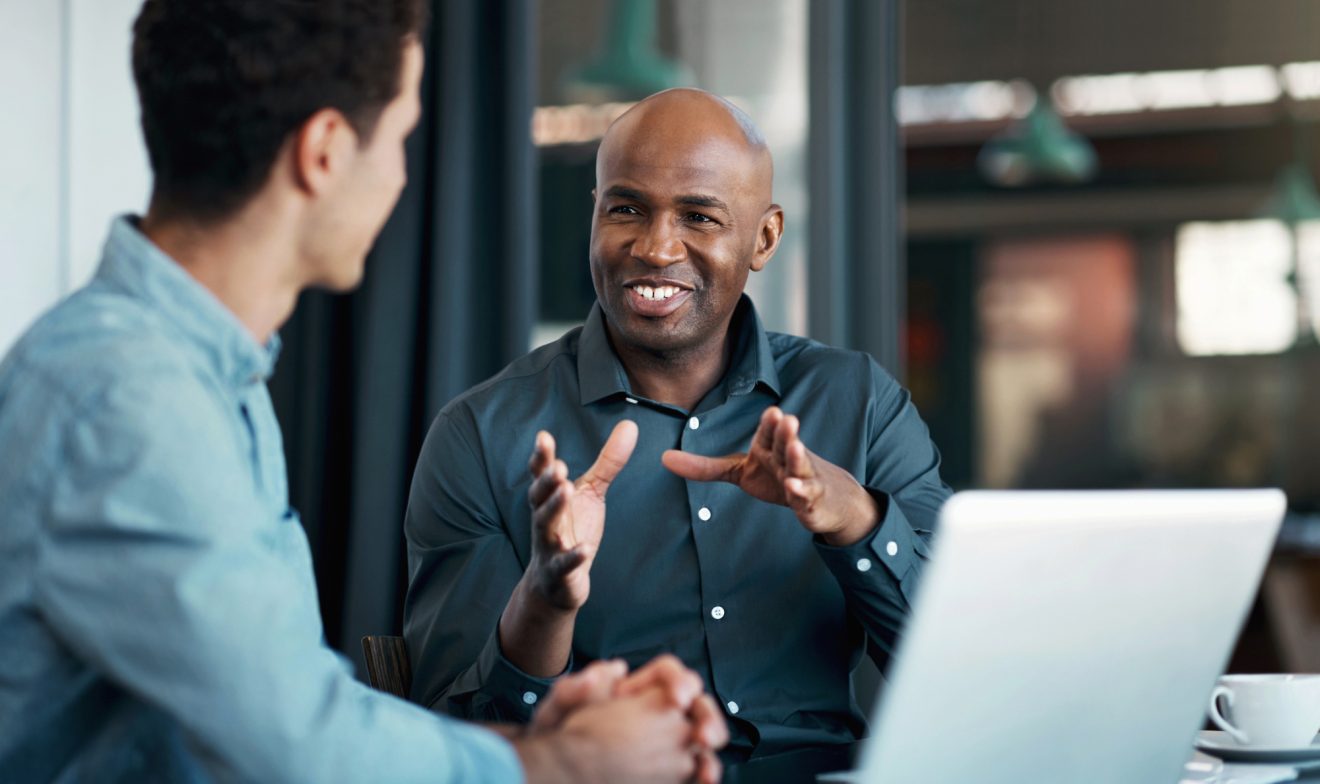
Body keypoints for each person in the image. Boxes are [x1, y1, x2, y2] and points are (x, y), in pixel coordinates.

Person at [0, 2, 727, 782]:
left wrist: (520, 744)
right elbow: (301, 754)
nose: (402, 174)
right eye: (401, 137)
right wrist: (561, 763)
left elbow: (289, 705)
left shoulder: (197, 373)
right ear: (324, 152)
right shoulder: (128, 398)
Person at [403, 87, 953, 771]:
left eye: (699, 216)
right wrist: (544, 601)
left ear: (765, 237)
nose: (656, 247)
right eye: (626, 209)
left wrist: (856, 521)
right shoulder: (481, 435)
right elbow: (458, 744)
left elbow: (957, 672)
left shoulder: (859, 403)